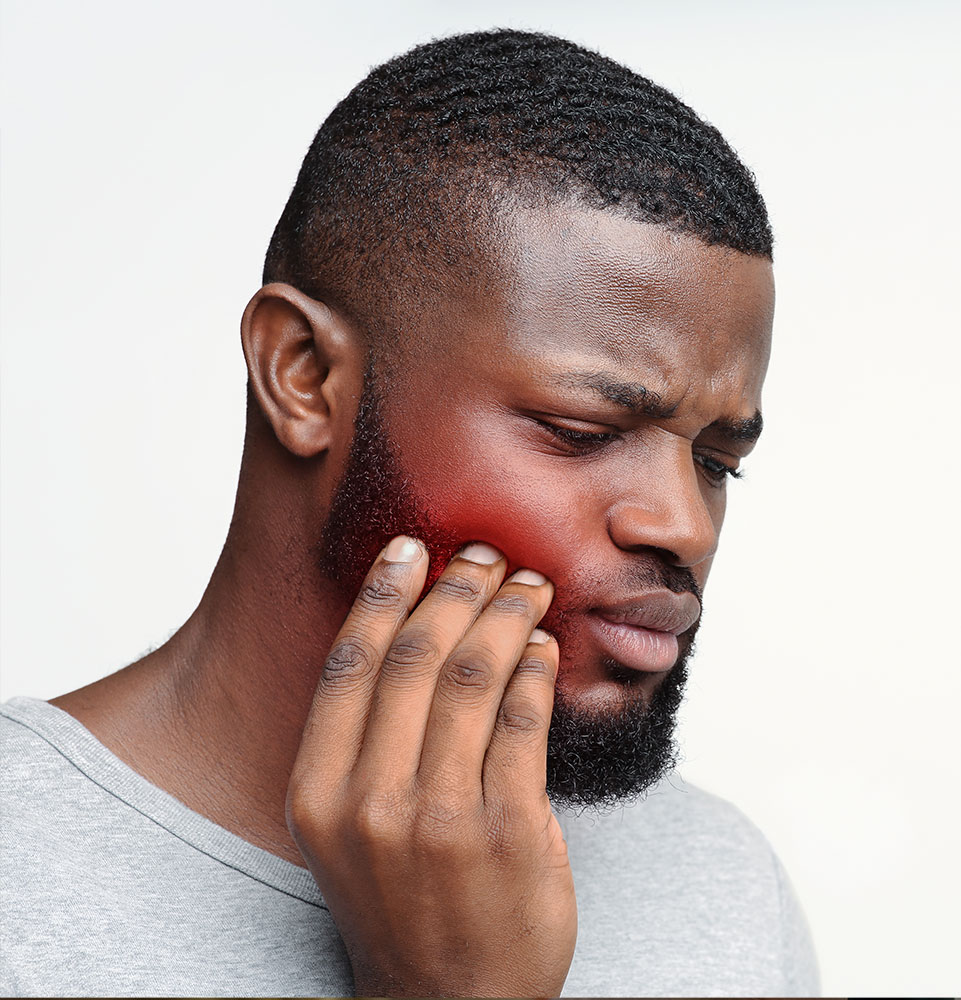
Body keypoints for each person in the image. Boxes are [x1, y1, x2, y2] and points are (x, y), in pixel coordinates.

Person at [1, 28, 818, 998]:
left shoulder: (720, 883)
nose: (684, 525)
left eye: (719, 461)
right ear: (302, 377)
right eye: (580, 427)